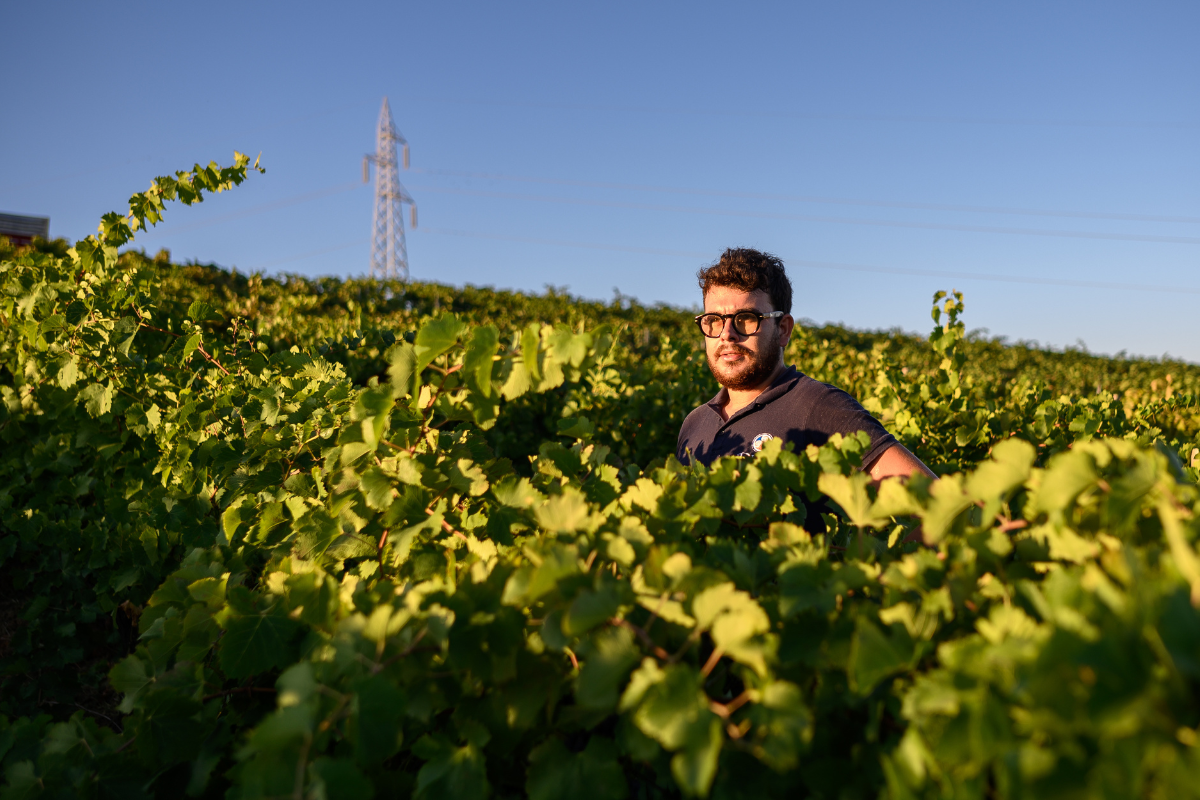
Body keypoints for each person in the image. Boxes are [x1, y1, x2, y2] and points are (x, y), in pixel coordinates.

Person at [676, 248, 936, 489]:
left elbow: (931, 502)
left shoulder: (820, 406)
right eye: (713, 320)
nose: (727, 334)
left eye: (745, 319)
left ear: (783, 329)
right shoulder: (694, 424)